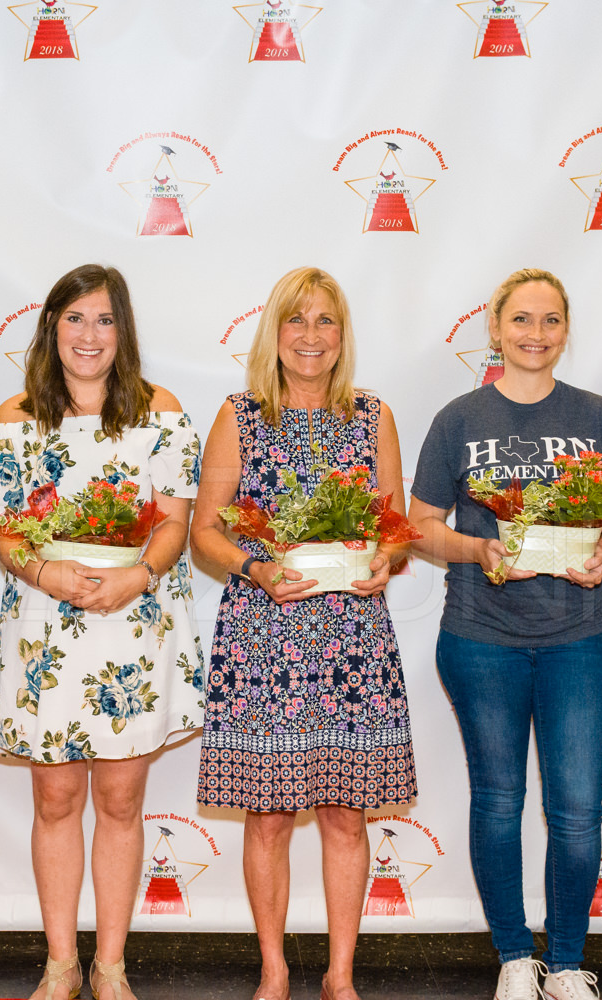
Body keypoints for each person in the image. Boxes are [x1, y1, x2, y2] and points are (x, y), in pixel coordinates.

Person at [0, 264, 204, 1000]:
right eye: (75, 319)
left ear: (123, 330)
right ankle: (61, 963)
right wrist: (44, 575)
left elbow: (174, 525)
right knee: (56, 803)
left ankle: (111, 966)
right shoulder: (14, 417)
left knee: (123, 805)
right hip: (47, 630)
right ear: (51, 328)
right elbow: (7, 536)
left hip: (134, 627)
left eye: (104, 320)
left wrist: (139, 575)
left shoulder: (159, 410)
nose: (90, 335)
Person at [406, 268, 602, 1000]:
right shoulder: (459, 419)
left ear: (566, 330)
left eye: (550, 321)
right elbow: (421, 526)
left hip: (577, 639)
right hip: (480, 636)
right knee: (498, 800)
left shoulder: (597, 415)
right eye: (522, 321)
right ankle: (513, 956)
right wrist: (478, 550)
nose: (536, 335)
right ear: (496, 329)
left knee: (577, 806)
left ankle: (567, 962)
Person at [191, 266, 415, 1000]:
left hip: (353, 637)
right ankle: (274, 970)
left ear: (342, 335)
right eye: (297, 320)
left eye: (325, 321)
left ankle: (341, 975)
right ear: (274, 332)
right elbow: (205, 533)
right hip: (264, 634)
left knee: (347, 817)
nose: (310, 336)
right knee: (269, 818)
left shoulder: (373, 415)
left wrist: (386, 559)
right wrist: (255, 569)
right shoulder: (241, 414)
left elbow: (394, 526)